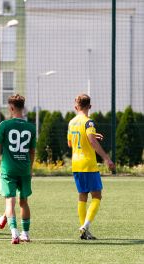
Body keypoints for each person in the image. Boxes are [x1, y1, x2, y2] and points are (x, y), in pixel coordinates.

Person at [67, 94, 115, 240]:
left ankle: (84, 231)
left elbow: (70, 143)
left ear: (76, 107)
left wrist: (93, 137)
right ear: (90, 106)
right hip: (88, 163)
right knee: (97, 195)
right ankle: (86, 225)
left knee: (82, 195)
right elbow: (92, 143)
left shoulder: (71, 122)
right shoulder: (89, 122)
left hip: (76, 163)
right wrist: (107, 158)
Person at [0, 94, 36, 244]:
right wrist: (30, 168)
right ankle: (26, 234)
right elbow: (32, 152)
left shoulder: (5, 125)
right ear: (23, 108)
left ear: (11, 108)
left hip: (8, 170)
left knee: (10, 202)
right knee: (24, 202)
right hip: (24, 169)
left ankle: (14, 233)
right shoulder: (31, 127)